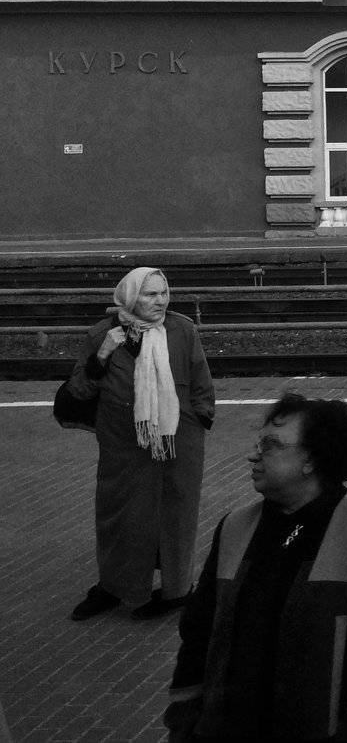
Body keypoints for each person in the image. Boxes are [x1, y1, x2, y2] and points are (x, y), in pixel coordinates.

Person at [166, 393, 347, 743]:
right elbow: (198, 633)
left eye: (270, 445)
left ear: (311, 459)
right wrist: (185, 722)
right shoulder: (236, 527)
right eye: (258, 444)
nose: (254, 454)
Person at [65, 266, 216, 621]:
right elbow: (79, 390)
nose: (160, 301)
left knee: (176, 513)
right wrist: (102, 355)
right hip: (122, 441)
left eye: (164, 293)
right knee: (119, 512)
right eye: (150, 294)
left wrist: (200, 417)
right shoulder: (102, 333)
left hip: (177, 440)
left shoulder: (182, 330)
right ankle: (114, 587)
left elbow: (201, 380)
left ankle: (177, 591)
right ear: (131, 296)